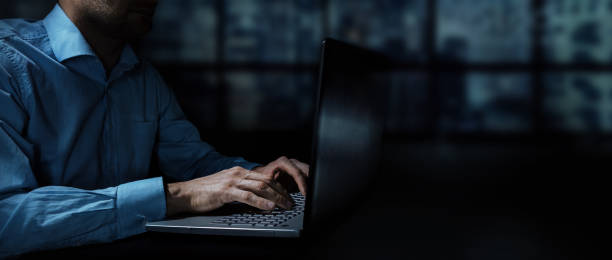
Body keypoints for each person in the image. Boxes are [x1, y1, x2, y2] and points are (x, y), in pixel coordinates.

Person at [0, 0, 309, 256]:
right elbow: (5, 219)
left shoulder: (144, 77)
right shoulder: (7, 61)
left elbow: (196, 165)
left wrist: (259, 176)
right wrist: (176, 196)